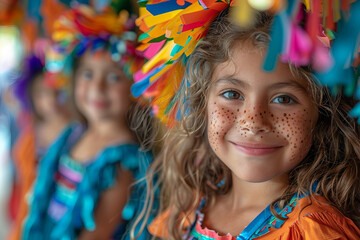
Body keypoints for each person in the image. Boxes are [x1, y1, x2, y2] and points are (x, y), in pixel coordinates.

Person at [130, 2, 360, 239]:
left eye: (283, 99)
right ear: (203, 104)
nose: (253, 122)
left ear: (321, 112)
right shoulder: (187, 213)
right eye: (232, 94)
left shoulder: (317, 231)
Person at [22, 5, 154, 240]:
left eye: (114, 77)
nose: (97, 88)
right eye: (87, 74)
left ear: (136, 87)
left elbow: (96, 233)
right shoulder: (73, 134)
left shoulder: (123, 160)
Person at [9, 54, 71, 240]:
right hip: (29, 209)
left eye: (56, 91)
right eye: (42, 93)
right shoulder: (30, 134)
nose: (51, 100)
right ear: (32, 97)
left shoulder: (75, 132)